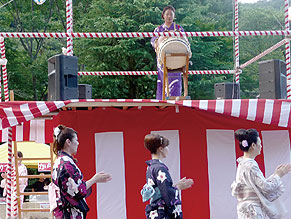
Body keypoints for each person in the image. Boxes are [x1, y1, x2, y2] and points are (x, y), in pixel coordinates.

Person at [51, 125, 112, 219]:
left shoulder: (60, 161)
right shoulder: (66, 164)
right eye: (76, 140)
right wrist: (94, 179)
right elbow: (77, 190)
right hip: (69, 213)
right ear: (68, 142)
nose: (78, 143)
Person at [231, 129, 291, 219]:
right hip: (252, 211)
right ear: (253, 145)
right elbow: (265, 187)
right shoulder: (250, 165)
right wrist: (279, 175)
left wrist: (275, 175)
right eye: (259, 143)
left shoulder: (243, 163)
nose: (261, 146)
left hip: (247, 210)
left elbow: (258, 186)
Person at [142, 134, 194, 219]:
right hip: (162, 213)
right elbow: (167, 195)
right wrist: (177, 187)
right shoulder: (159, 168)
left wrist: (173, 187)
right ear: (161, 148)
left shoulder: (151, 166)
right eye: (166, 147)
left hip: (155, 212)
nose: (167, 149)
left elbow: (162, 190)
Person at [151, 5, 186, 99]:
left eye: (171, 14)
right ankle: (162, 104)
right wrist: (160, 41)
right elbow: (153, 42)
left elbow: (185, 41)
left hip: (176, 58)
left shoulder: (179, 28)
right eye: (167, 14)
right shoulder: (158, 29)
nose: (169, 16)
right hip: (163, 59)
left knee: (176, 80)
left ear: (174, 16)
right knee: (163, 81)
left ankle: (175, 101)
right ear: (163, 16)